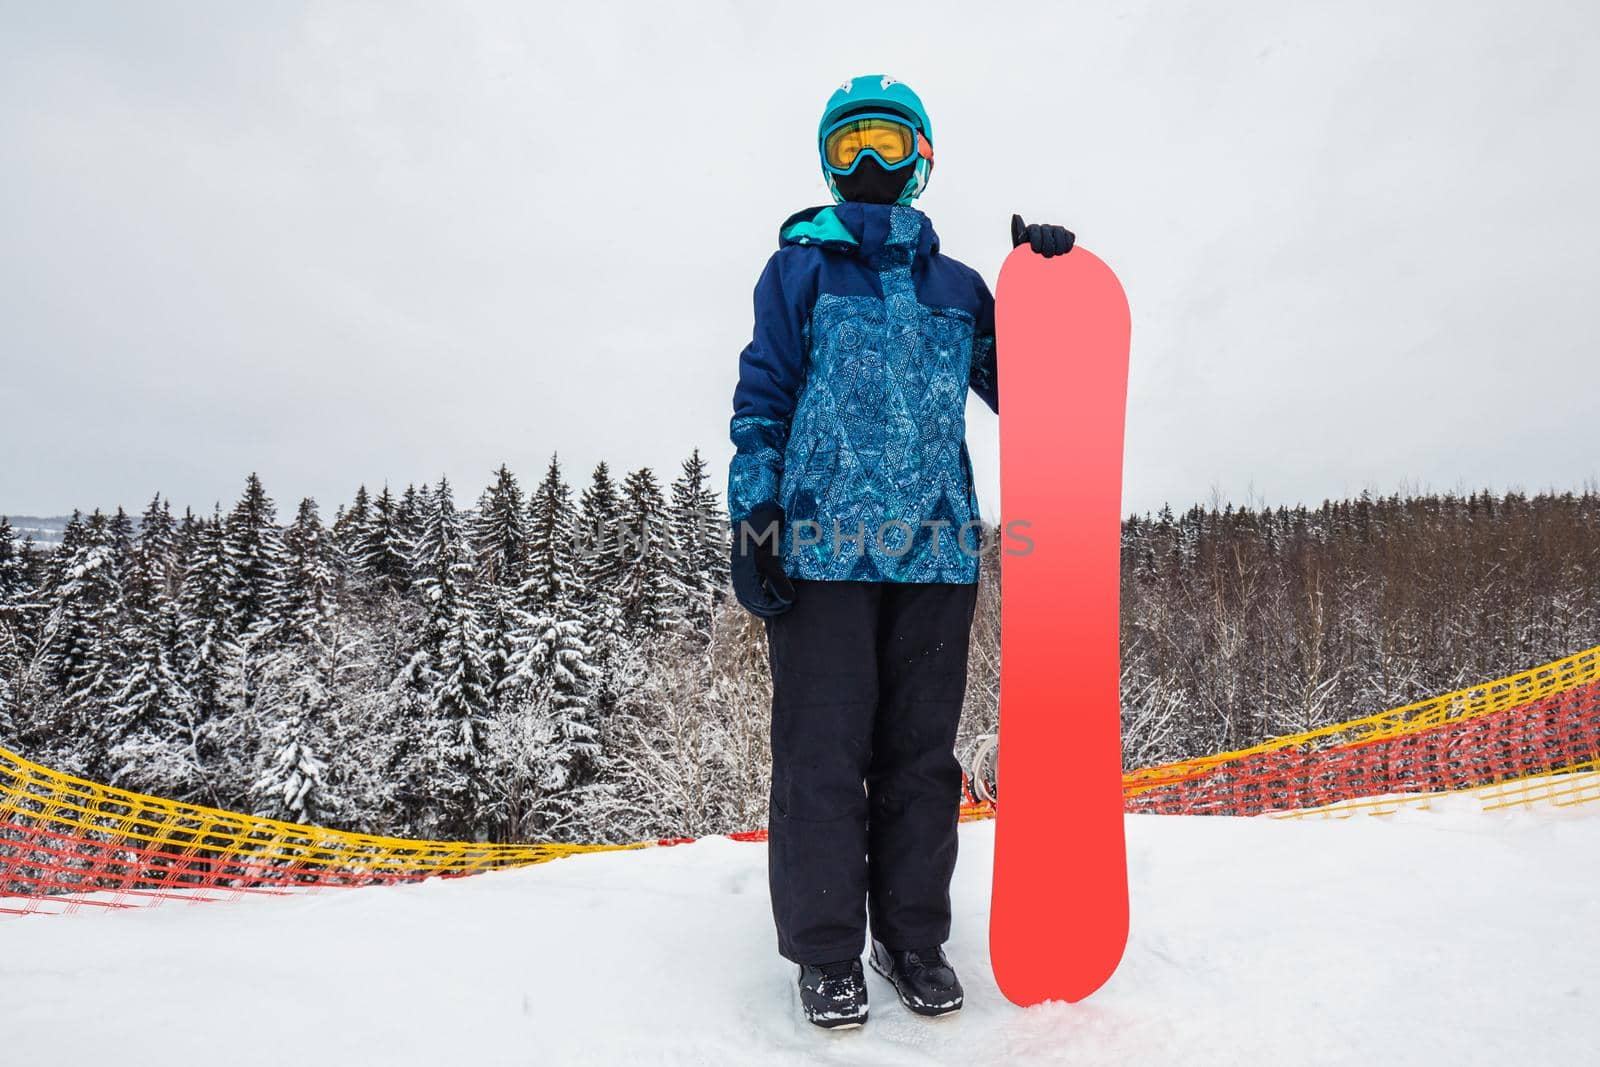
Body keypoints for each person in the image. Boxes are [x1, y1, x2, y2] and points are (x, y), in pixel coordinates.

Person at [726, 73, 1073, 1029]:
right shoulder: (797, 271)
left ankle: (911, 936)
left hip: (934, 557)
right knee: (822, 758)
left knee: (920, 759)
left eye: (887, 142)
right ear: (828, 165)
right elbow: (762, 403)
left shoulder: (959, 288)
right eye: (850, 146)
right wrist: (754, 519)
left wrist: (1041, 289)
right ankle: (829, 949)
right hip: (822, 557)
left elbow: (1029, 390)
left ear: (921, 160)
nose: (869, 161)